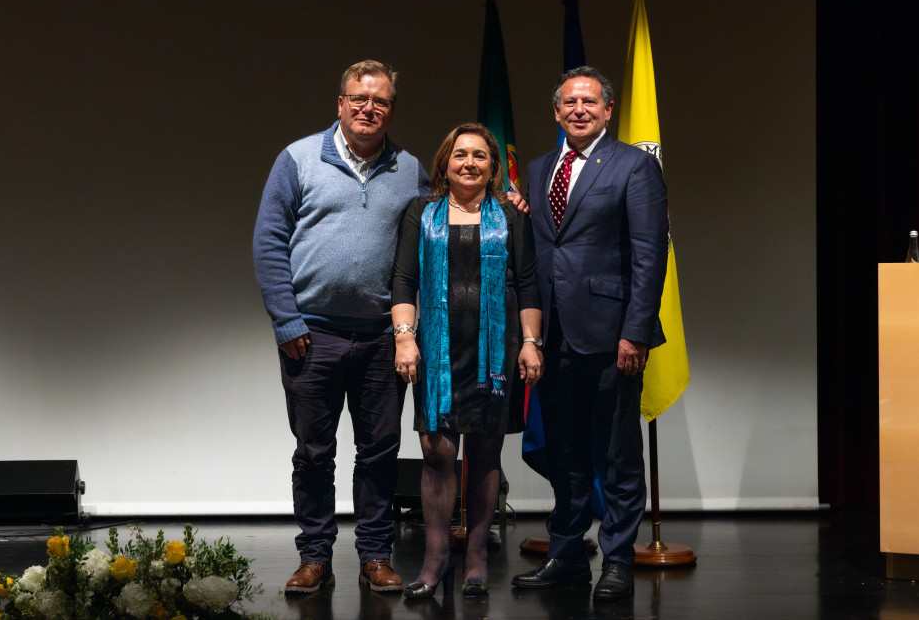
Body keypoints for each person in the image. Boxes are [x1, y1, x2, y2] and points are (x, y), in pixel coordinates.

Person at [252, 59, 430, 595]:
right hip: (312, 335)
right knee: (313, 453)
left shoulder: (410, 169)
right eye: (358, 98)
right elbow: (267, 244)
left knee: (379, 454)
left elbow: (437, 234)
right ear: (340, 103)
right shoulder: (298, 159)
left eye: (378, 101)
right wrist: (286, 321)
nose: (367, 108)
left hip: (382, 337)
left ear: (391, 110)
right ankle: (314, 558)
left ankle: (376, 555)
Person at [511, 67, 668, 601]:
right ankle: (568, 555)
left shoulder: (634, 165)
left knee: (618, 455)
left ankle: (618, 560)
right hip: (552, 336)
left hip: (612, 336)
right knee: (565, 453)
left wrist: (637, 332)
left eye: (590, 102)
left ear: (608, 110)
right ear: (556, 112)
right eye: (569, 103)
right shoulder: (537, 170)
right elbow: (544, 246)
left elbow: (650, 254)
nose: (579, 110)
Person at [391, 123, 543, 598]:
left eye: (480, 155)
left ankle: (476, 557)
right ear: (445, 163)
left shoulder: (511, 218)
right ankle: (435, 559)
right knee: (437, 453)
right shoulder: (421, 212)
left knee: (484, 453)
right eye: (460, 155)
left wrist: (531, 341)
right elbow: (403, 279)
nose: (469, 163)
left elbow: (531, 283)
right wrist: (405, 339)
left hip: (494, 351)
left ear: (493, 167)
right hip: (436, 351)